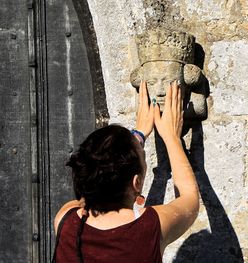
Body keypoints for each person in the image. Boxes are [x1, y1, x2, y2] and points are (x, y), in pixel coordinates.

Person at [53, 80, 199, 263]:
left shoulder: (66, 221)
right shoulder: (151, 227)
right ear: (136, 183)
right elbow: (190, 199)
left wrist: (137, 135)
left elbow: (90, 188)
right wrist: (171, 137)